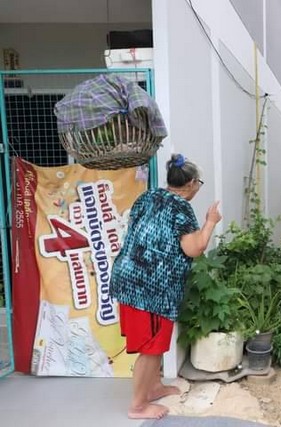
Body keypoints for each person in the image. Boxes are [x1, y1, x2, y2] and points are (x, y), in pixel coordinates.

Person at [110, 154, 222, 420]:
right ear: (192, 183)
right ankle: (138, 406)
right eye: (199, 184)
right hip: (151, 286)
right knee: (151, 347)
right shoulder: (181, 207)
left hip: (128, 278)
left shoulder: (147, 197)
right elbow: (195, 248)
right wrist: (211, 221)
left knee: (156, 343)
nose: (198, 188)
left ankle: (154, 387)